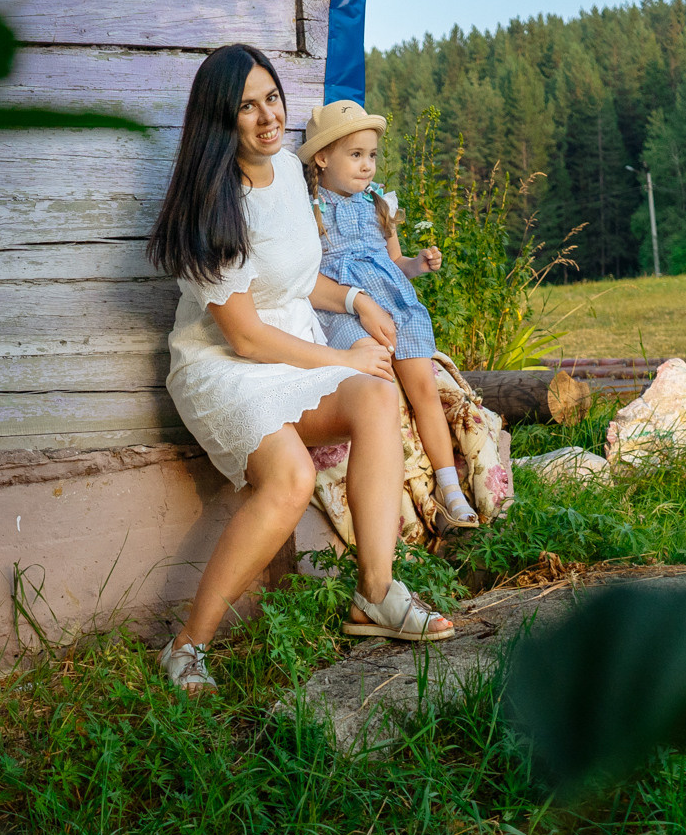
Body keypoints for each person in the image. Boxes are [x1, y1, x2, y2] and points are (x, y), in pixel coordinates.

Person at [147, 45, 455, 694]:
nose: (266, 116)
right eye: (246, 107)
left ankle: (375, 592)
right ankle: (186, 647)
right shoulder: (214, 205)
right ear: (219, 122)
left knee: (376, 396)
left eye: (272, 98)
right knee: (288, 478)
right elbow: (246, 338)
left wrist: (356, 298)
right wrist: (341, 355)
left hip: (288, 342)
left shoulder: (289, 169)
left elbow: (299, 279)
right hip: (223, 364)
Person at [299, 100, 478, 530]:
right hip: (344, 312)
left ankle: (448, 486)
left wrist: (418, 265)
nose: (367, 166)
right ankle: (394, 493)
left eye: (372, 156)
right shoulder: (310, 209)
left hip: (396, 305)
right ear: (322, 158)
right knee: (377, 382)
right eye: (355, 155)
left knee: (424, 390)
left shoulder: (380, 204)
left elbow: (394, 265)